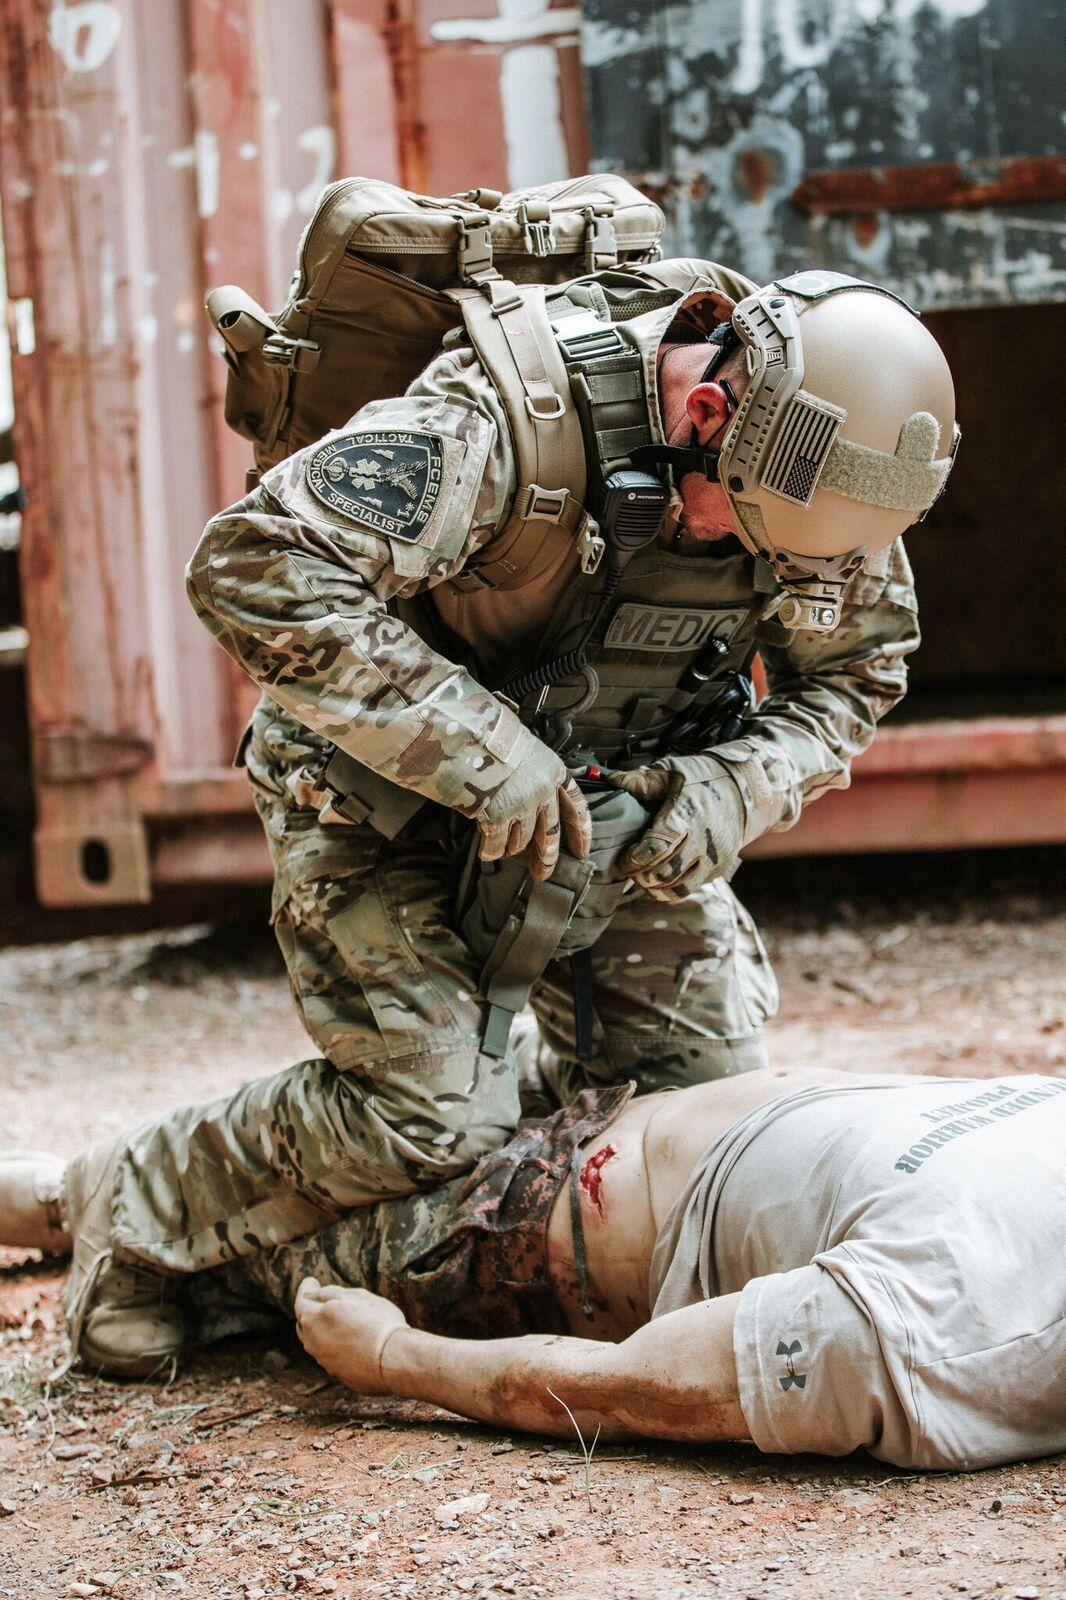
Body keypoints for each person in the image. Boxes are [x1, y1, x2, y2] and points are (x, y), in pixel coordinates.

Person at [24, 262, 957, 1375]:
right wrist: (489, 758)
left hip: (611, 818)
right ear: (705, 413)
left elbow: (856, 671)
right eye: (746, 532)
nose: (767, 565)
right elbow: (254, 564)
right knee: (427, 1120)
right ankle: (136, 1204)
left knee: (700, 1118)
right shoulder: (508, 424)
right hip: (380, 796)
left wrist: (727, 788)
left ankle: (468, 1090)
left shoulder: (817, 478)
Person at [6, 1061, 1065, 1471]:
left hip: (513, 1221)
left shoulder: (943, 1328)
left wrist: (395, 1357)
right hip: (611, 1089)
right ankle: (65, 1194)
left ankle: (66, 1204)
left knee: (205, 1227)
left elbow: (635, 1389)